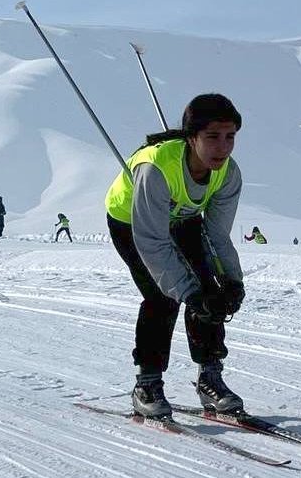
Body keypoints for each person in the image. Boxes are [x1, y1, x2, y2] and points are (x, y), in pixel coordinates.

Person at [104, 93, 247, 418]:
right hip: (131, 222)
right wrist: (188, 293)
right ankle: (147, 384)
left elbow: (217, 235)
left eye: (230, 137)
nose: (222, 147)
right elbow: (153, 242)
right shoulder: (155, 168)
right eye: (212, 137)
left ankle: (210, 378)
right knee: (162, 295)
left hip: (181, 217)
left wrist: (230, 280)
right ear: (191, 137)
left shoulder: (228, 173)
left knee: (211, 289)